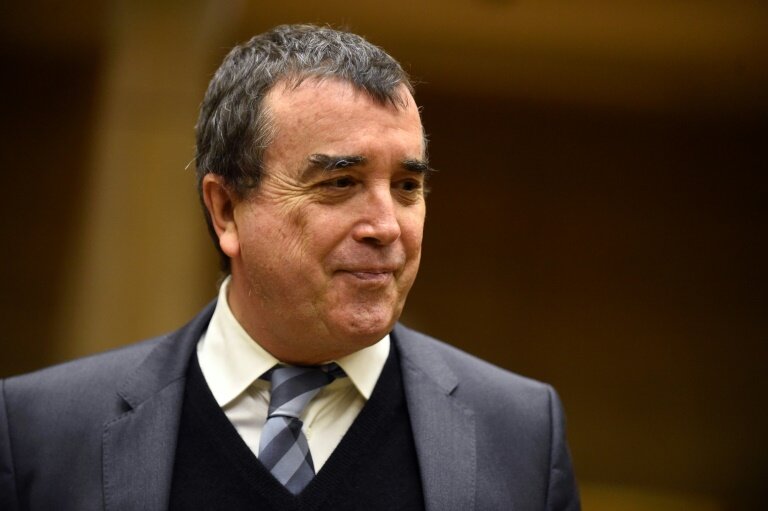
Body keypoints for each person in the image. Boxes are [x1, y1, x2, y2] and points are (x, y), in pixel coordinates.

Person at [0, 24, 579, 510]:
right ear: (226, 210)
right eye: (340, 183)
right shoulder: (39, 434)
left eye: (407, 185)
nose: (387, 226)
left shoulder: (523, 434)